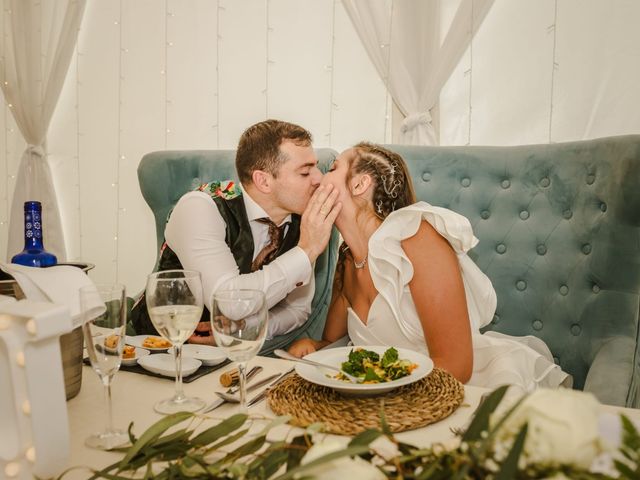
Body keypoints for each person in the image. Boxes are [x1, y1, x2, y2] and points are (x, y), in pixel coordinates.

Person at [288, 142, 570, 393]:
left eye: (333, 168)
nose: (320, 178)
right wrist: (314, 347)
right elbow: (335, 345)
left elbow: (456, 367)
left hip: (467, 389)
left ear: (359, 184)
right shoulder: (347, 260)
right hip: (384, 398)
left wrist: (383, 399)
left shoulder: (417, 237)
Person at [131, 119, 341, 344]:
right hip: (156, 347)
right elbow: (228, 303)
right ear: (263, 181)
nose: (319, 178)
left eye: (316, 167)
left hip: (234, 356)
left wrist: (243, 330)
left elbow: (298, 309)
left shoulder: (304, 222)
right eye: (305, 172)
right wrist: (306, 251)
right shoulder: (199, 207)